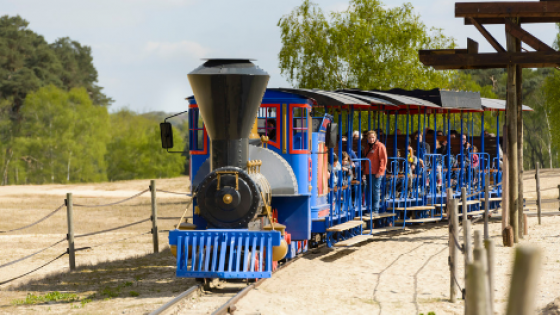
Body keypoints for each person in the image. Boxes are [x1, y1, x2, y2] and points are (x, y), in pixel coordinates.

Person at [363, 130, 387, 215]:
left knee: (376, 191)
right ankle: (372, 209)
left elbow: (383, 160)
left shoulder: (380, 146)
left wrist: (380, 171)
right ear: (367, 138)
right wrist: (364, 172)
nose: (371, 139)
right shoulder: (367, 147)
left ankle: (375, 210)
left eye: (373, 137)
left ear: (375, 137)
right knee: (371, 191)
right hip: (369, 172)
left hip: (376, 172)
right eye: (369, 137)